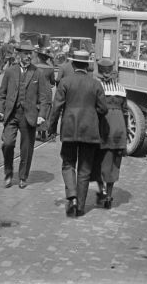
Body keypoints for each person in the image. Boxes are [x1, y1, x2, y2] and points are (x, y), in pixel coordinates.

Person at [48, 50, 108, 217]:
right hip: (90, 131)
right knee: (85, 168)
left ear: (73, 65)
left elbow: (56, 107)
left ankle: (72, 196)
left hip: (69, 129)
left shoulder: (65, 82)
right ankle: (80, 207)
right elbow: (103, 108)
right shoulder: (96, 84)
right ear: (87, 65)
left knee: (68, 163)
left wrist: (51, 128)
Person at [0, 40, 50, 189]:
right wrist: (0, 111)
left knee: (26, 149)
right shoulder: (10, 71)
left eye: (30, 54)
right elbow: (2, 94)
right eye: (25, 54)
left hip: (29, 116)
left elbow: (45, 97)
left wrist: (42, 115)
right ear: (18, 54)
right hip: (11, 114)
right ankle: (8, 173)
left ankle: (23, 177)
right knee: (7, 144)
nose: (28, 56)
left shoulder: (37, 73)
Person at [91, 58, 129, 210]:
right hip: (119, 129)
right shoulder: (121, 88)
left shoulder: (97, 87)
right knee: (114, 163)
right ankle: (109, 195)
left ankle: (102, 190)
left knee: (99, 160)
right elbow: (125, 111)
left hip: (103, 128)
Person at [34, 47, 56, 141]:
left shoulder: (34, 67)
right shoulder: (50, 68)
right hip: (46, 91)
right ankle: (43, 133)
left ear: (39, 57)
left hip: (35, 90)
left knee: (36, 109)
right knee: (46, 111)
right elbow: (53, 82)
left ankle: (38, 132)